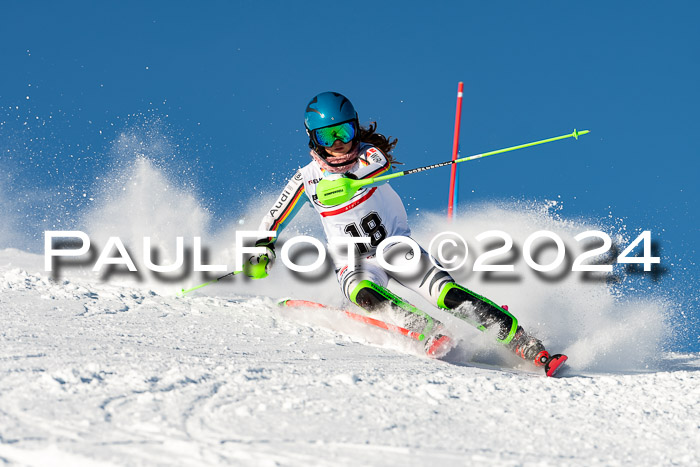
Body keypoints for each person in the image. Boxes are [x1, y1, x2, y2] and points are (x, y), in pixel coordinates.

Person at [246, 91, 564, 372]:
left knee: (448, 294)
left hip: (395, 248)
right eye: (328, 137)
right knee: (363, 292)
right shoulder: (306, 180)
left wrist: (349, 183)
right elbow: (274, 217)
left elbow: (379, 163)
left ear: (356, 128)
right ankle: (426, 328)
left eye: (345, 131)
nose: (339, 143)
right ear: (313, 139)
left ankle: (523, 341)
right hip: (354, 261)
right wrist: (262, 248)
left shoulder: (367, 157)